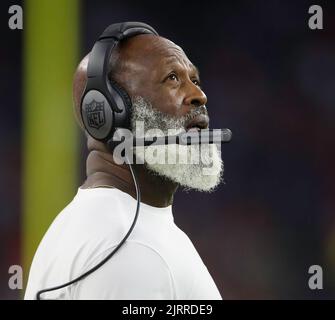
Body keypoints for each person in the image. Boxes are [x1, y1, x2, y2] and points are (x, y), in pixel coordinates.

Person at [24, 24, 224, 300]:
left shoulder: (108, 226)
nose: (199, 95)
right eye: (173, 78)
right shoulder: (132, 247)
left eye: (195, 79)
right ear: (108, 113)